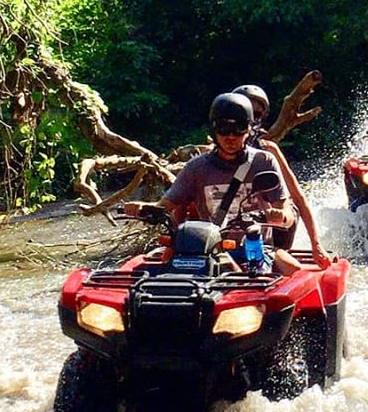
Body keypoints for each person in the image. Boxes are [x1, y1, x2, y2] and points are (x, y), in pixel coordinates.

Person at [124, 93, 316, 274]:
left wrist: (279, 216)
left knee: (294, 271)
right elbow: (165, 207)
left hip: (257, 247)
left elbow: (287, 212)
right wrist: (143, 209)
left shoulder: (263, 161)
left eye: (238, 128)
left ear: (249, 129)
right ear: (214, 130)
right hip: (211, 250)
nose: (231, 136)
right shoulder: (195, 168)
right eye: (224, 129)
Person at [231, 83, 331, 268]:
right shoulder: (214, 153)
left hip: (272, 220)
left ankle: (274, 253)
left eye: (256, 114)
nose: (251, 119)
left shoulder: (268, 151)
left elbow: (298, 197)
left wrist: (316, 245)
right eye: (246, 113)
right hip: (229, 222)